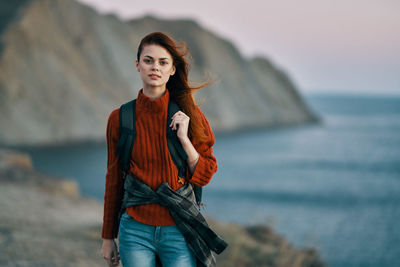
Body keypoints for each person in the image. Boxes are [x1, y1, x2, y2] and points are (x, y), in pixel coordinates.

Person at [100, 31, 220, 267]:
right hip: (134, 230)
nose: (155, 67)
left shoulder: (191, 116)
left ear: (172, 69)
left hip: (179, 231)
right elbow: (114, 179)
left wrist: (185, 140)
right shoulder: (120, 118)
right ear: (137, 65)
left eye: (163, 62)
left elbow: (206, 174)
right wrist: (107, 237)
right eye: (148, 60)